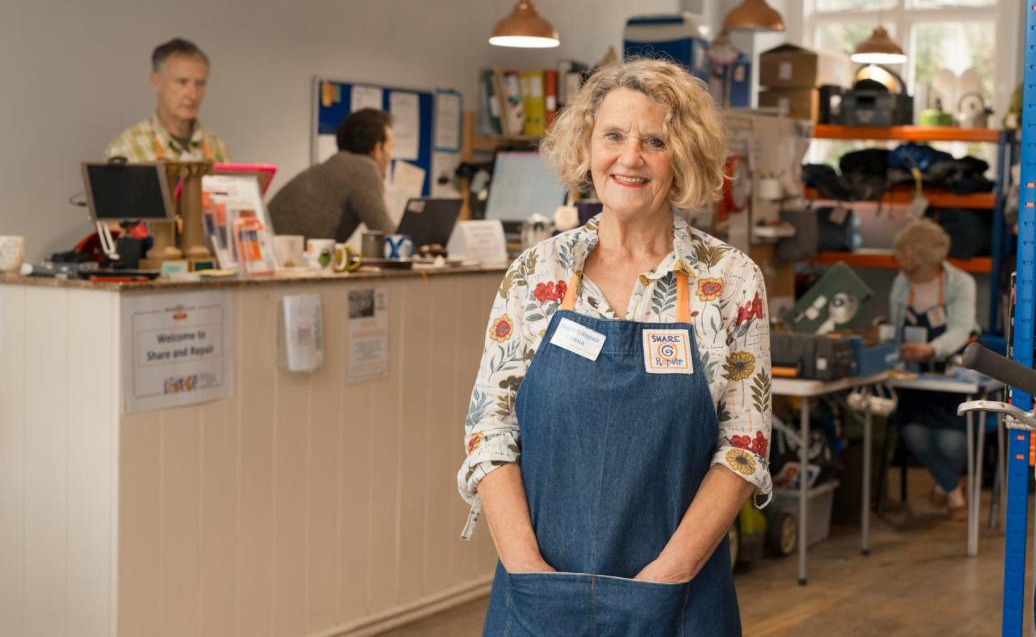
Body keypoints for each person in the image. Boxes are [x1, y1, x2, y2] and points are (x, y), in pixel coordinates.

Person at [457, 59, 772, 636]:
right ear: (587, 145)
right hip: (538, 594)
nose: (630, 158)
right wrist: (528, 572)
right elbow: (489, 431)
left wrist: (665, 580)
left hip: (677, 598)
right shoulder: (536, 273)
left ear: (682, 156)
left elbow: (743, 448)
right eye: (614, 136)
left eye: (654, 141)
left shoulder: (728, 281)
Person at [889, 218, 979, 520]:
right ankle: (953, 490)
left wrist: (932, 349)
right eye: (903, 268)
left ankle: (945, 486)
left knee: (951, 443)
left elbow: (961, 329)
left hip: (951, 380)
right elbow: (895, 325)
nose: (906, 275)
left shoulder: (961, 283)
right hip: (913, 381)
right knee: (914, 434)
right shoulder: (901, 284)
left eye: (912, 270)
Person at [267, 108, 395, 242]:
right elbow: (390, 238)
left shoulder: (333, 166)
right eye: (391, 148)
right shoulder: (364, 169)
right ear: (377, 149)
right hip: (286, 258)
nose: (391, 155)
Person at [105, 38, 230, 162]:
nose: (193, 94)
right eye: (182, 82)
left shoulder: (217, 148)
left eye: (200, 83)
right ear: (156, 81)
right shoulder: (127, 149)